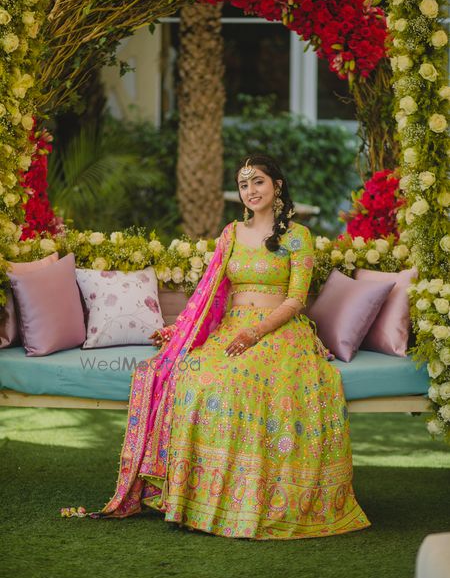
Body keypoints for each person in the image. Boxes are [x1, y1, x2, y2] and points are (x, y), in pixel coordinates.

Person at [64, 154, 370, 540]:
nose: (251, 191)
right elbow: (211, 295)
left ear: (277, 184)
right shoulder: (230, 234)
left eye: (258, 181)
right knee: (192, 377)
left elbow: (296, 301)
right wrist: (179, 329)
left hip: (279, 332)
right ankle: (197, 499)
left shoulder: (297, 236)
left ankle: (252, 500)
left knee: (241, 382)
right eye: (244, 185)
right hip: (231, 329)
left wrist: (256, 333)